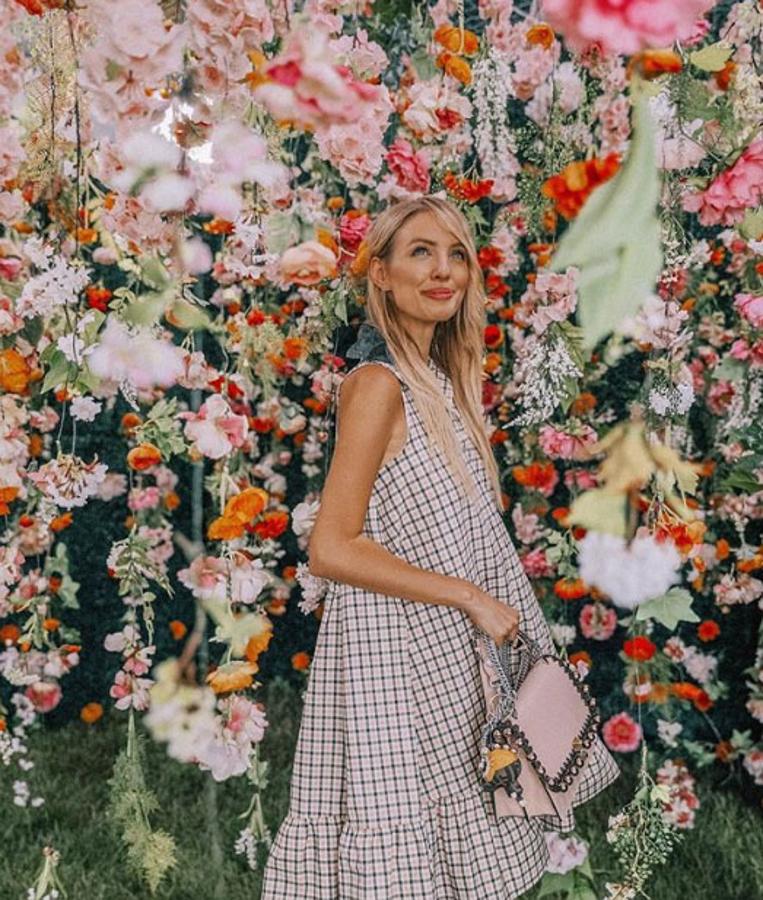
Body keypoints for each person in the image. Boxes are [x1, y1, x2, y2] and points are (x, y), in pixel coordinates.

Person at [261, 195, 620, 899]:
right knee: (404, 841)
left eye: (456, 253)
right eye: (420, 251)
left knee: (456, 845)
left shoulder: (438, 383)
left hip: (445, 649)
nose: (443, 270)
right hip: (394, 648)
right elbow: (331, 547)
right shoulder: (376, 386)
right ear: (382, 275)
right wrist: (469, 597)